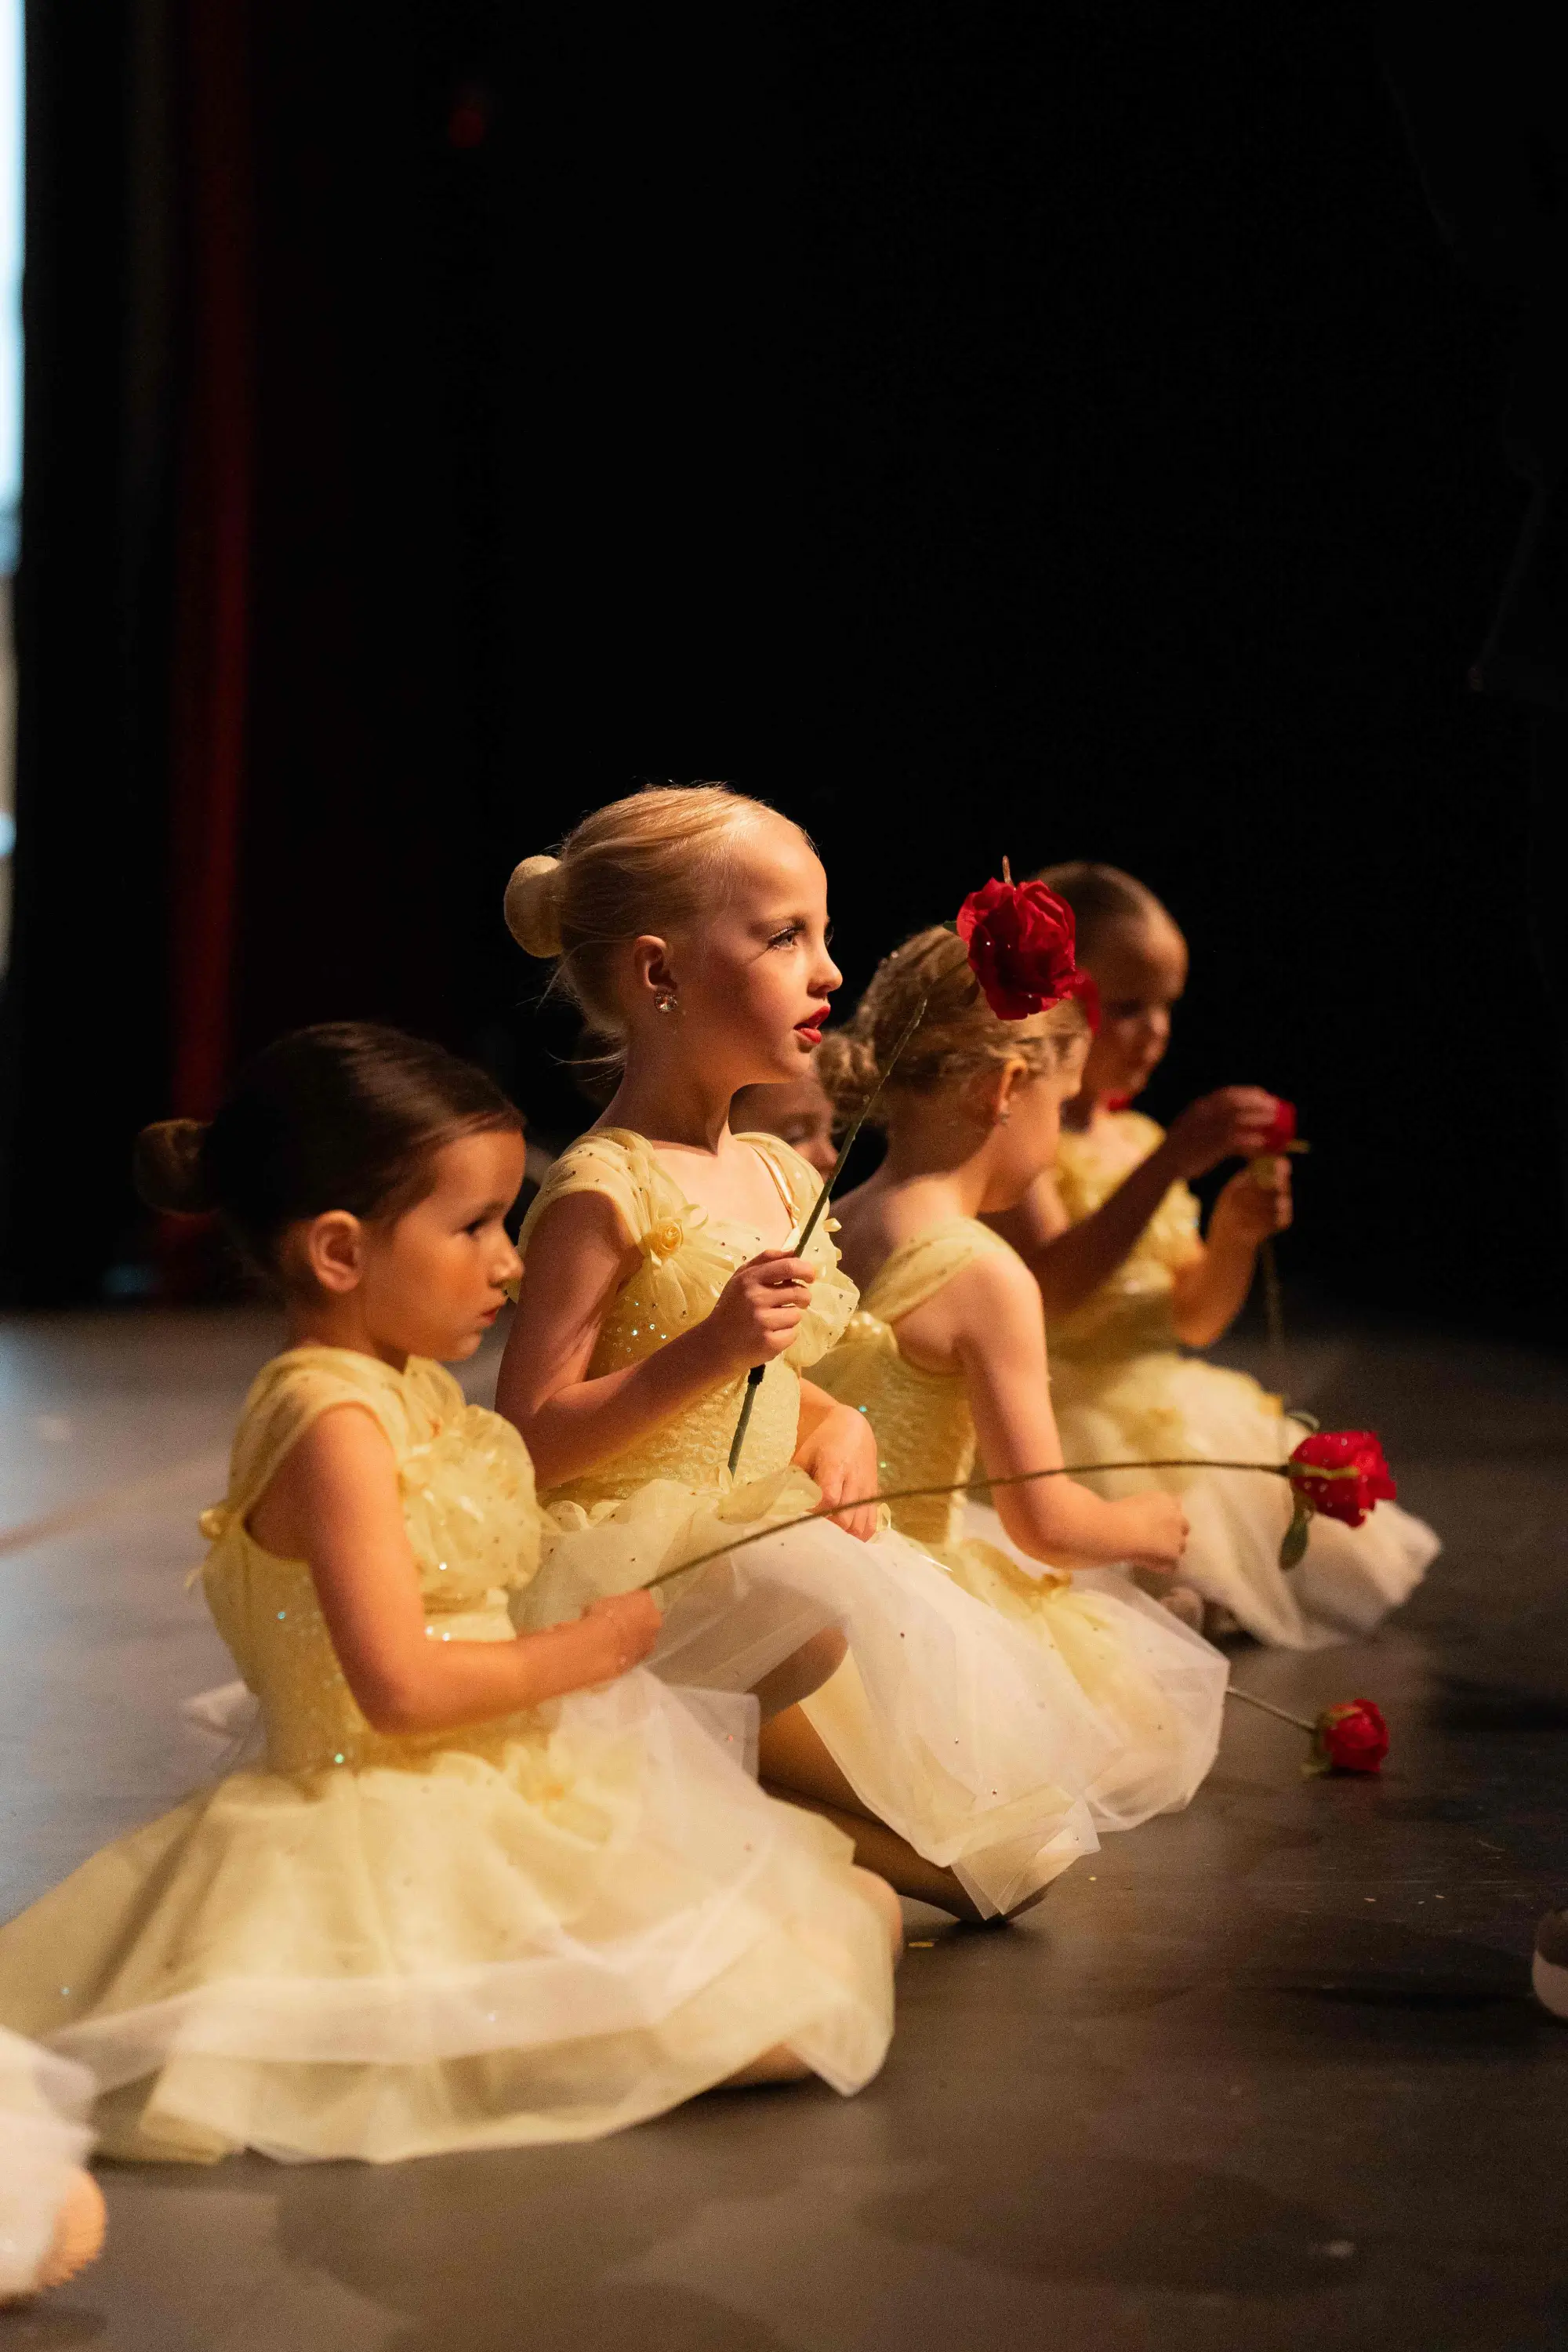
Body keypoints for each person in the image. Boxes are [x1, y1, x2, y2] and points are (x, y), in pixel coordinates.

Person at [0, 1024, 897, 2163]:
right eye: (472, 1227)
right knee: (774, 2005)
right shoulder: (330, 1422)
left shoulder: (409, 1388)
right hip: (381, 1812)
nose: (510, 1263)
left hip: (500, 1770)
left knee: (840, 1921)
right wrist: (593, 1648)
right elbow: (405, 1688)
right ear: (339, 1251)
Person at [499, 784, 1113, 1923]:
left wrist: (842, 1423)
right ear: (658, 973)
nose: (829, 970)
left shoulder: (778, 1174)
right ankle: (790, 1816)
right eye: (786, 937)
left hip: (759, 1532)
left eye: (822, 935)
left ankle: (795, 1814)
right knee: (818, 1652)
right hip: (635, 1564)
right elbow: (532, 1438)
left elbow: (783, 1379)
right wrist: (710, 1348)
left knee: (979, 1810)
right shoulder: (604, 1186)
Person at [812, 919, 1228, 1833]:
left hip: (808, 1583)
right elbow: (1043, 1522)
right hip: (903, 1616)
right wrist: (1143, 1527)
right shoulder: (983, 1273)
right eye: (1058, 1100)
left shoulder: (827, 1219)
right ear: (1006, 1088)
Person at [986, 862, 1437, 1646]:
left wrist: (1231, 1234)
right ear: (1055, 998)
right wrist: (1165, 1169)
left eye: (1165, 1007)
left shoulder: (1136, 1137)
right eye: (1126, 1008)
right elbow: (1049, 1291)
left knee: (1246, 1539)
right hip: (1066, 1411)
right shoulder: (1019, 1138)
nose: (1155, 1031)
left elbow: (1191, 1317)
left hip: (1163, 1398)